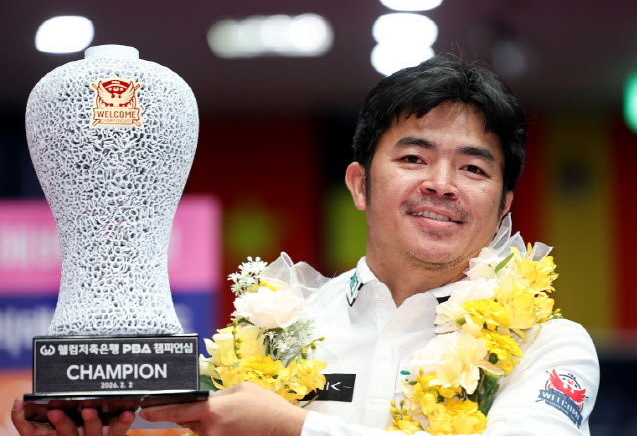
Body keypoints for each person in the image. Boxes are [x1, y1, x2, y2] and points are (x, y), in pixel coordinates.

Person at [12, 55, 600, 436]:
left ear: (504, 205)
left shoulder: (548, 347)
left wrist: (292, 428)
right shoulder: (274, 333)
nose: (441, 184)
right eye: (414, 157)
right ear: (359, 185)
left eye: (473, 168)